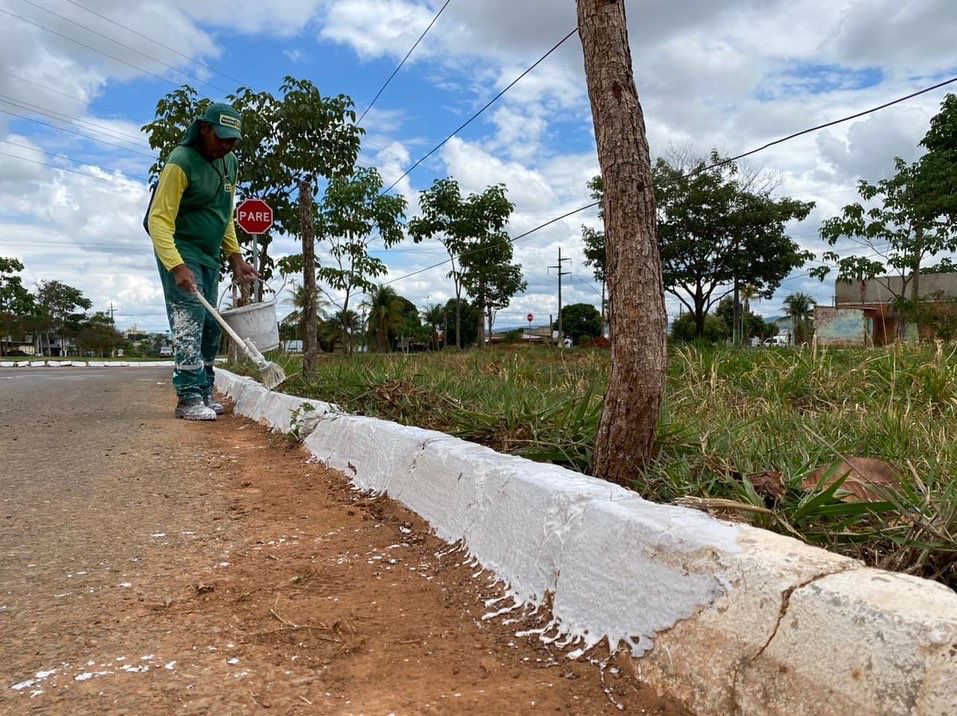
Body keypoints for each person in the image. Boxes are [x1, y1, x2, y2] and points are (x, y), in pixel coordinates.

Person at [148, 102, 257, 421]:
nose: (226, 145)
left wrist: (236, 257)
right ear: (205, 129)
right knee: (190, 317)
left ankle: (205, 390)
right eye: (221, 137)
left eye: (233, 140)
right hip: (181, 249)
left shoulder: (230, 163)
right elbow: (158, 219)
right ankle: (188, 396)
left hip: (210, 254)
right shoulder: (180, 162)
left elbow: (223, 215)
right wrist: (176, 265)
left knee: (212, 324)